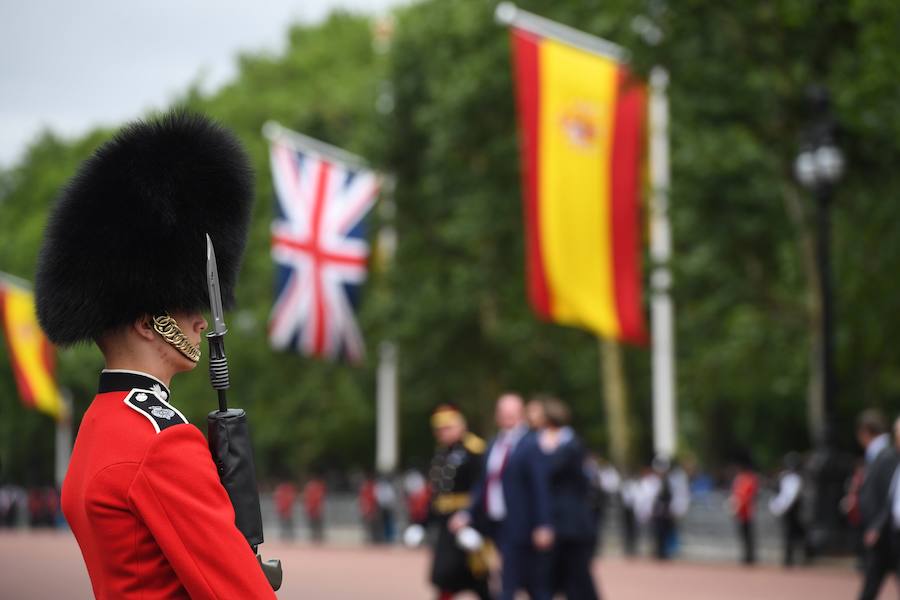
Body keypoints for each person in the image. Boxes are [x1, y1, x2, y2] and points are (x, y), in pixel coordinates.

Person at [38, 113, 275, 598]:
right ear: (147, 322)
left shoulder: (99, 425)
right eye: (187, 305)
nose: (201, 320)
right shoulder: (163, 441)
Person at [450, 393, 553, 600]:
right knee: (519, 581)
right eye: (503, 413)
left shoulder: (532, 444)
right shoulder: (493, 444)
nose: (507, 417)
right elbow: (484, 483)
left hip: (524, 524)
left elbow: (540, 486)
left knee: (518, 582)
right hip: (497, 523)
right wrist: (467, 513)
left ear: (521, 414)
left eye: (511, 412)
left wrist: (544, 523)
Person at [419, 404, 491, 600]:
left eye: (447, 428)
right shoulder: (441, 453)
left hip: (467, 521)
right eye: (439, 429)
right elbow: (438, 494)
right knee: (444, 577)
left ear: (461, 426)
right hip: (446, 525)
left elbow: (482, 488)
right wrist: (421, 523)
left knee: (479, 576)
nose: (442, 433)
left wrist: (470, 518)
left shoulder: (474, 450)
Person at [537, 397, 600, 600]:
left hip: (571, 525)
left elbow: (552, 471)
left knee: (577, 580)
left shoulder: (570, 444)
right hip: (560, 522)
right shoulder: (558, 442)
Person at [856, 409, 899, 600]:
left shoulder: (887, 456)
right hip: (886, 531)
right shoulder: (888, 456)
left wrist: (877, 526)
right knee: (870, 585)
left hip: (888, 533)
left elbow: (889, 498)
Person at [768, 452, 809, 567]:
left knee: (793, 534)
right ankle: (789, 558)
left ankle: (792, 558)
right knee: (789, 534)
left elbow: (790, 496)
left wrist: (779, 507)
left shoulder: (793, 478)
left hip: (792, 510)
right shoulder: (787, 477)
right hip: (788, 510)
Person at [729, 455, 759, 565]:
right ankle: (747, 556)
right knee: (744, 536)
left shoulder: (747, 479)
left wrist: (736, 506)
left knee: (748, 536)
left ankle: (749, 557)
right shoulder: (742, 478)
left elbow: (744, 496)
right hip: (742, 512)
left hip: (747, 512)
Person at [303, 474, 327, 543]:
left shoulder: (310, 487)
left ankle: (315, 536)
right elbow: (319, 497)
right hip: (315, 509)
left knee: (314, 523)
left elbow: (308, 498)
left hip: (312, 508)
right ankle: (318, 536)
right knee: (317, 524)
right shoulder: (317, 487)